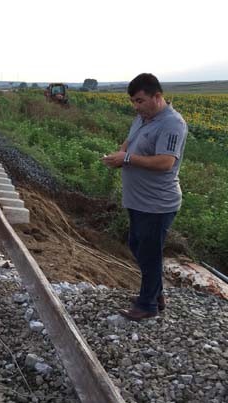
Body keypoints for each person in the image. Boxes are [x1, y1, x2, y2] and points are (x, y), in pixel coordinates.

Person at [102, 73, 187, 321]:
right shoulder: (142, 119)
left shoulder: (172, 124)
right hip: (137, 200)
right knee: (137, 245)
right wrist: (117, 156)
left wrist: (126, 159)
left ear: (157, 97)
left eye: (140, 101)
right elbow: (127, 144)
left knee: (149, 252)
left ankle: (148, 305)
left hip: (157, 203)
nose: (136, 107)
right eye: (133, 102)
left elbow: (165, 162)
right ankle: (156, 293)